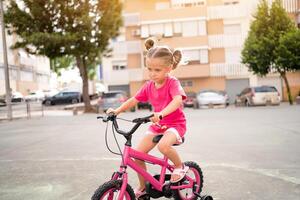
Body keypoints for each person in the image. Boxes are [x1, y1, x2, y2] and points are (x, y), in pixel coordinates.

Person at [106, 38, 188, 198]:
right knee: (136, 154)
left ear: (169, 68)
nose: (152, 74)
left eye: (157, 70)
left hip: (175, 125)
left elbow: (178, 100)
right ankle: (143, 189)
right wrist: (117, 111)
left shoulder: (172, 83)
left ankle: (180, 166)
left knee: (163, 147)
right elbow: (134, 100)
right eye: (149, 69)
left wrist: (162, 114)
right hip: (158, 126)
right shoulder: (149, 85)